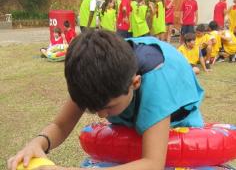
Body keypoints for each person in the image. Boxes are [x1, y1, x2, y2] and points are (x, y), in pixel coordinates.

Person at [8, 30, 204, 170]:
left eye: (108, 107)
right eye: (91, 108)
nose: (101, 114)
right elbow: (60, 126)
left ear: (134, 83)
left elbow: (153, 163)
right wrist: (37, 143)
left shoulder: (155, 83)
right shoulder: (92, 77)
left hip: (176, 118)